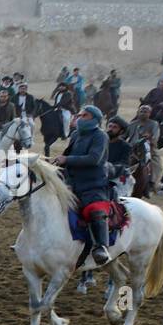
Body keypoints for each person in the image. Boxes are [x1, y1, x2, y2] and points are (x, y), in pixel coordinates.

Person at [53, 105, 112, 266]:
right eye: (79, 115)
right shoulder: (76, 134)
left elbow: (94, 159)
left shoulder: (101, 136)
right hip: (72, 183)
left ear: (94, 119)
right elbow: (68, 155)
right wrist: (55, 163)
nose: (79, 118)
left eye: (84, 115)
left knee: (95, 210)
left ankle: (101, 247)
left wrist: (68, 160)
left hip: (93, 185)